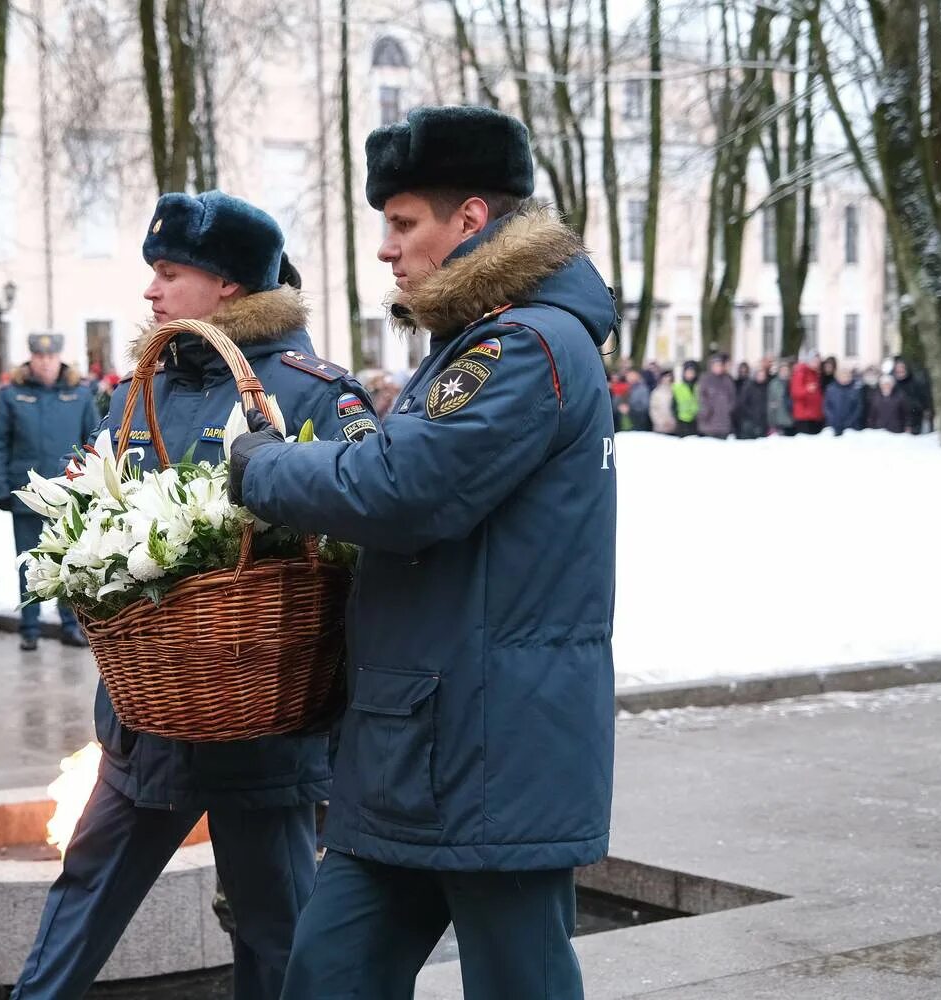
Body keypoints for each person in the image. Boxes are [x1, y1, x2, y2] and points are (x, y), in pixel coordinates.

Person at [227, 105, 615, 1000]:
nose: (386, 248)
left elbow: (403, 489)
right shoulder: (483, 343)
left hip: (492, 752)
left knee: (519, 983)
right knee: (326, 977)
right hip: (421, 741)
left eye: (404, 224)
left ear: (470, 221)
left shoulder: (524, 346)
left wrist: (265, 467)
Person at [12, 192, 377, 1000]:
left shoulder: (314, 391)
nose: (151, 291)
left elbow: (363, 537)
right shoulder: (143, 388)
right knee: (80, 903)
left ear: (231, 287)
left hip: (265, 726)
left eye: (170, 273)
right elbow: (94, 505)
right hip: (145, 721)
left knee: (275, 931)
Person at [0, 334, 98, 652]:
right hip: (25, 491)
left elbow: (92, 440)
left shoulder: (79, 393)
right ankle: (30, 626)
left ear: (59, 357)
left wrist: (87, 485)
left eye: (50, 356)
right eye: (39, 356)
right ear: (31, 358)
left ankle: (70, 624)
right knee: (29, 560)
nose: (45, 361)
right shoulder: (12, 395)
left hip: (67, 492)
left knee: (69, 559)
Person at [696, 354, 736, 439]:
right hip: (709, 423)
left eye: (720, 365)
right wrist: (706, 411)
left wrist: (728, 409)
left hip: (724, 423)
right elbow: (701, 397)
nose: (718, 368)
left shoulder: (727, 380)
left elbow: (732, 397)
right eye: (716, 365)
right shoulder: (705, 379)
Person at [891, 359, 933, 435]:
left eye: (902, 367)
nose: (900, 370)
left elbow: (923, 402)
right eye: (898, 368)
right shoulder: (893, 384)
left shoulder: (916, 383)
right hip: (896, 424)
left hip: (915, 420)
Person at [790, 352, 824, 434]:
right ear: (809, 361)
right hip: (804, 417)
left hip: (815, 415)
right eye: (815, 361)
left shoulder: (815, 373)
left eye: (818, 362)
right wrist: (807, 390)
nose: (817, 364)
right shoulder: (800, 372)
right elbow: (795, 393)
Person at [823, 367, 864, 435]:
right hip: (833, 426)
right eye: (842, 375)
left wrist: (848, 422)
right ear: (837, 377)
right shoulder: (830, 389)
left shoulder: (855, 389)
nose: (844, 378)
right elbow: (826, 406)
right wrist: (833, 421)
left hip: (851, 427)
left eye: (847, 376)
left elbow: (858, 408)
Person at [734, 364, 770, 438]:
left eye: (763, 375)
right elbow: (742, 403)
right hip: (749, 420)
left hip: (763, 421)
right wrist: (750, 414)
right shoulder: (749, 386)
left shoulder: (767, 387)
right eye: (759, 374)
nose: (761, 377)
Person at [673, 360, 700, 436]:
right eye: (688, 372)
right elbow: (673, 404)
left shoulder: (699, 386)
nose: (690, 374)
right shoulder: (678, 387)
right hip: (682, 421)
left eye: (692, 372)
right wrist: (676, 416)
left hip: (696, 420)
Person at [769, 360, 795, 436]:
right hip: (779, 421)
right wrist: (771, 422)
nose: (784, 372)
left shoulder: (792, 382)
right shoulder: (773, 384)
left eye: (786, 370)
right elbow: (770, 404)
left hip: (792, 421)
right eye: (782, 370)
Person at [648, 369, 677, 434]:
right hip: (660, 428)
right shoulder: (656, 392)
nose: (667, 379)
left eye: (669, 376)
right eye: (665, 377)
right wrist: (661, 422)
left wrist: (673, 422)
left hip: (674, 427)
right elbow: (653, 409)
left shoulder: (675, 390)